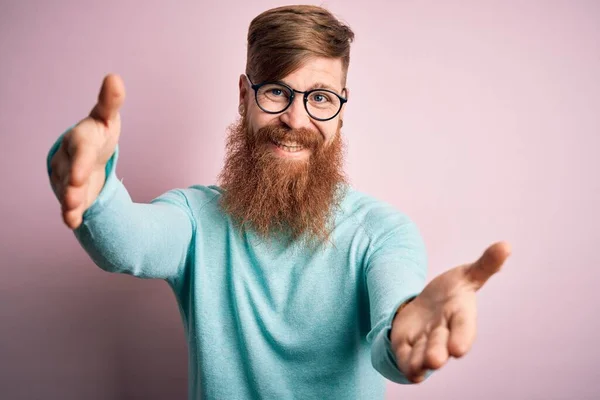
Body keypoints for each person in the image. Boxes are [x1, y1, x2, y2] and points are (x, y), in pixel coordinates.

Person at [47, 5, 510, 400]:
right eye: (276, 92)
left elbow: (394, 330)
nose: (295, 118)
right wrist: (93, 188)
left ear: (341, 111)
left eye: (320, 98)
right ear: (244, 96)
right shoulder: (194, 218)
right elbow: (128, 243)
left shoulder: (383, 233)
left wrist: (405, 334)